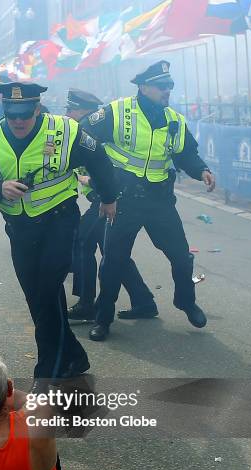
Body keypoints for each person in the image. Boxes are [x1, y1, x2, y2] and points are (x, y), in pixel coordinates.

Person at [0, 82, 118, 380]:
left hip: (59, 219)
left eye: (25, 113)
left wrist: (108, 198)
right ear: (4, 109)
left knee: (45, 292)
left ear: (38, 108)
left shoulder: (65, 131)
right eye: (12, 113)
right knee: (38, 298)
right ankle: (74, 357)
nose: (18, 120)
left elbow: (99, 160)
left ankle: (47, 372)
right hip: (20, 229)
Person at [85, 60, 216, 342]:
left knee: (181, 257)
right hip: (124, 201)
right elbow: (85, 139)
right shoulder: (117, 111)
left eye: (169, 86)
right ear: (143, 87)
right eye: (161, 86)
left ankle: (185, 301)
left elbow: (186, 153)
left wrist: (202, 170)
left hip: (160, 202)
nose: (167, 90)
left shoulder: (173, 120)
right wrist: (99, 183)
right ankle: (103, 319)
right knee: (113, 263)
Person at [65, 88, 157, 324]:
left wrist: (91, 182)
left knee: (82, 241)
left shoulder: (97, 135)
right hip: (103, 198)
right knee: (113, 253)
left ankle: (87, 304)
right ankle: (143, 300)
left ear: (86, 111)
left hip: (108, 199)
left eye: (72, 110)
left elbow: (111, 171)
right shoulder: (80, 132)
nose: (69, 114)